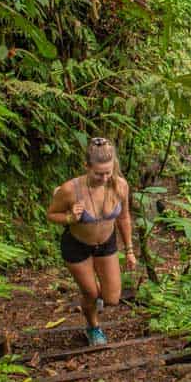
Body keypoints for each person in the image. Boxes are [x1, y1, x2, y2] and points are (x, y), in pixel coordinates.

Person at [46, 137, 138, 345]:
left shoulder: (121, 185)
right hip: (77, 245)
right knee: (90, 293)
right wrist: (69, 217)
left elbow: (124, 217)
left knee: (112, 298)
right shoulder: (70, 189)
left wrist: (130, 250)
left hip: (106, 244)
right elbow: (51, 215)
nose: (104, 178)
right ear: (86, 166)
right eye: (98, 173)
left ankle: (96, 296)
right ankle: (93, 327)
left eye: (108, 172)